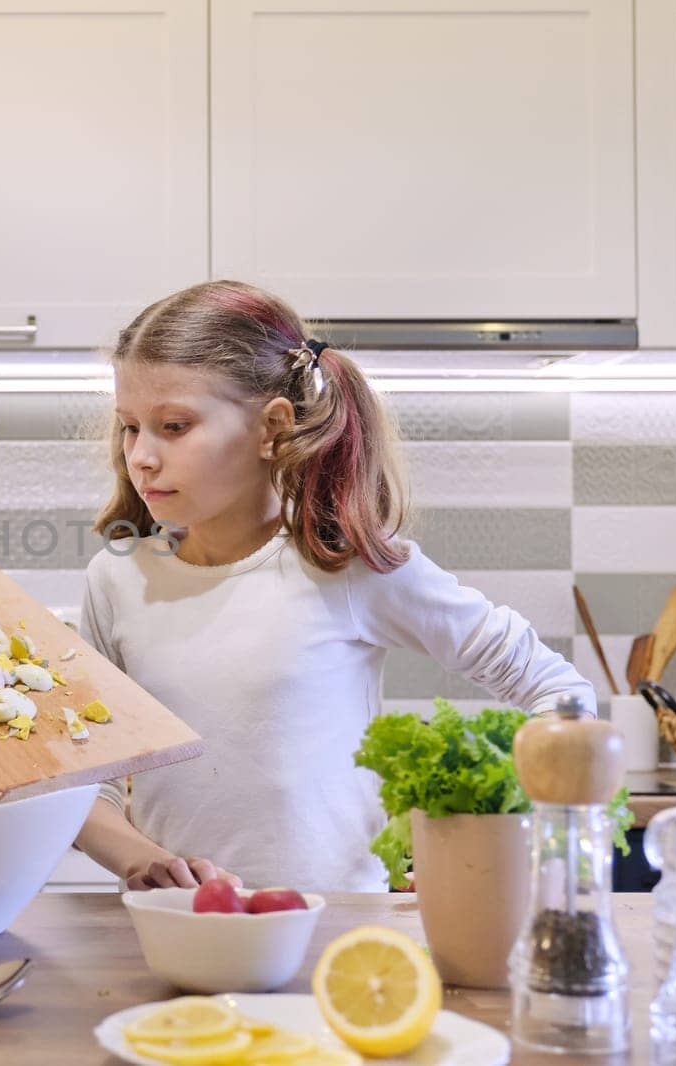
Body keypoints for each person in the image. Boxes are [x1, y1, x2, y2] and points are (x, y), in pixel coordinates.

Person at [71, 280, 593, 893]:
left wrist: (496, 824)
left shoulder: (346, 567)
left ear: (271, 428)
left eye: (175, 426)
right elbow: (84, 782)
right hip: (177, 933)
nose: (141, 456)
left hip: (340, 937)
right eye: (131, 427)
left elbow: (559, 691)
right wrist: (141, 860)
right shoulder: (117, 579)